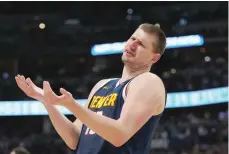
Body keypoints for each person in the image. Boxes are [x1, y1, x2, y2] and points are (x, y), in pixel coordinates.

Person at [15, 23, 167, 154]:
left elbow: (119, 134)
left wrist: (72, 105)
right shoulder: (102, 85)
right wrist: (46, 101)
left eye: (141, 44)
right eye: (133, 38)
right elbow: (74, 138)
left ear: (154, 58)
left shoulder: (149, 82)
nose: (132, 45)